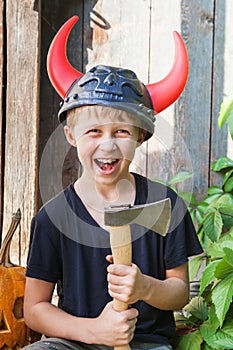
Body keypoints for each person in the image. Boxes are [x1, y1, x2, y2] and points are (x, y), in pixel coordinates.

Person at [23, 16, 203, 350]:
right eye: (94, 131)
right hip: (73, 341)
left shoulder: (165, 205)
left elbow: (178, 292)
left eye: (121, 132)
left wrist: (144, 288)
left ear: (140, 137)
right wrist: (95, 332)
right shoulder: (54, 217)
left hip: (145, 343)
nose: (107, 145)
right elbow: (34, 310)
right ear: (71, 135)